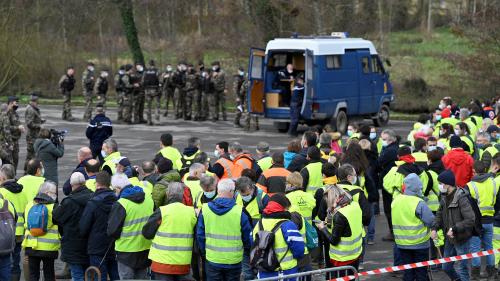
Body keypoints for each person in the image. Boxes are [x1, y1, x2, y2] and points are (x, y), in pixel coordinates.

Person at [196, 179, 252, 281]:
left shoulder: (205, 209)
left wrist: (205, 253)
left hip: (212, 259)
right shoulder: (240, 211)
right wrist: (246, 251)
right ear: (232, 192)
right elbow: (247, 237)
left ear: (218, 190)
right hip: (234, 261)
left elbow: (200, 236)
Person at [142, 182, 197, 280]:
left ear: (167, 194)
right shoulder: (191, 212)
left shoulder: (162, 211)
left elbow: (147, 233)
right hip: (183, 263)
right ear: (182, 195)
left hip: (161, 264)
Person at [107, 174, 154, 280]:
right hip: (145, 248)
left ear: (118, 188)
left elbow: (112, 231)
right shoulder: (148, 199)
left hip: (126, 251)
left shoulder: (121, 204)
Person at [432, 170, 476, 281]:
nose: (439, 186)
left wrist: (454, 228)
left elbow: (470, 219)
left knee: (462, 268)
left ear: (447, 184)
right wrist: (434, 228)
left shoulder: (461, 197)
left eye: (440, 183)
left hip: (461, 238)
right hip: (450, 239)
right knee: (446, 267)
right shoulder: (443, 196)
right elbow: (439, 213)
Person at [392, 174, 434, 281]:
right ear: (417, 187)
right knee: (421, 273)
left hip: (402, 244)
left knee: (408, 272)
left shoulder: (396, 200)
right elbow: (430, 220)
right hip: (420, 244)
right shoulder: (419, 203)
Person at [253, 193, 305, 280]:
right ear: (283, 208)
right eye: (288, 208)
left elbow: (253, 242)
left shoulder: (259, 223)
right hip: (286, 272)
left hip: (264, 271)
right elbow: (299, 250)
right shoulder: (288, 225)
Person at [79, 171, 120, 281]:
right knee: (115, 275)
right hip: (113, 244)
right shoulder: (118, 201)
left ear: (97, 184)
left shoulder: (93, 203)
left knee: (99, 275)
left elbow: (83, 227)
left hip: (96, 246)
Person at [315, 185, 363, 277]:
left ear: (336, 199)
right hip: (355, 255)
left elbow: (334, 240)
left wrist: (323, 228)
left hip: (341, 259)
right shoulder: (355, 205)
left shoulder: (339, 215)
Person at [53, 172, 93, 281]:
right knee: (89, 274)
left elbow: (56, 217)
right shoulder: (93, 197)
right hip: (90, 243)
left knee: (77, 275)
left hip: (73, 244)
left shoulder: (69, 202)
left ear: (71, 185)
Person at [22, 181, 60, 281]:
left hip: (31, 245)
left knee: (33, 275)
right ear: (47, 193)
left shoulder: (30, 205)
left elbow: (26, 222)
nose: (55, 195)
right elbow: (59, 224)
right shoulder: (53, 207)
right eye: (54, 193)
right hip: (49, 247)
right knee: (49, 274)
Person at [467, 161, 498, 279]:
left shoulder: (470, 185)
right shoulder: (493, 182)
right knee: (489, 247)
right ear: (485, 170)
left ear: (474, 171)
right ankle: (491, 273)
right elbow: (495, 200)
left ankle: (475, 275)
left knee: (475, 249)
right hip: (489, 220)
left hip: (476, 222)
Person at [0, 164, 26, 281]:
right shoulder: (22, 191)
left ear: (3, 178)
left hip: (6, 233)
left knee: (6, 262)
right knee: (16, 261)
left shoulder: (3, 193)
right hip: (19, 233)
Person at [377, 129, 399, 241]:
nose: (382, 141)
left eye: (384, 139)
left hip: (389, 183)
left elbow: (379, 162)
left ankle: (393, 232)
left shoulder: (390, 150)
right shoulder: (393, 148)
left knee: (389, 209)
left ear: (391, 139)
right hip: (393, 182)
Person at [24, 93, 44, 171]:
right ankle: (26, 172)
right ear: (32, 102)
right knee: (30, 156)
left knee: (32, 155)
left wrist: (40, 121)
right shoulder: (30, 110)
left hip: (34, 136)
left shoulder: (33, 108)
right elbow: (29, 123)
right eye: (36, 102)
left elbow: (34, 120)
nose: (37, 103)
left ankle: (29, 171)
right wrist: (39, 126)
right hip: (31, 137)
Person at [5, 96, 24, 171]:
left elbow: (16, 123)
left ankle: (13, 177)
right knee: (9, 162)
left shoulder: (15, 113)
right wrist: (17, 128)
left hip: (15, 141)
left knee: (15, 160)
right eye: (16, 103)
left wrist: (21, 127)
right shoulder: (6, 113)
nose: (17, 105)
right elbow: (6, 128)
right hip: (9, 141)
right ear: (10, 103)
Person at [142, 60, 161, 125]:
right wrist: (160, 89)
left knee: (148, 106)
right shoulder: (157, 71)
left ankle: (149, 121)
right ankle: (156, 120)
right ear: (154, 64)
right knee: (156, 106)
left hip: (147, 91)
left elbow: (142, 81)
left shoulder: (145, 71)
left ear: (149, 64)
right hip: (155, 90)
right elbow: (160, 81)